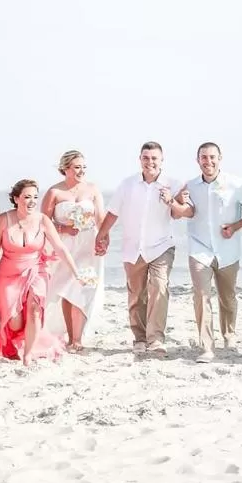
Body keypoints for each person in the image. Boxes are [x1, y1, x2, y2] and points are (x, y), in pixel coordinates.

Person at [95, 141, 189, 355]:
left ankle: (155, 339)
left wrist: (172, 201)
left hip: (162, 245)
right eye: (146, 158)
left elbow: (181, 212)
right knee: (137, 294)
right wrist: (102, 234)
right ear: (140, 160)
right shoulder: (127, 184)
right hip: (133, 247)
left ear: (161, 160)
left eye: (154, 158)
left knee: (159, 287)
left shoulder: (174, 184)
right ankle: (140, 337)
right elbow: (113, 212)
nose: (150, 162)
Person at [175, 142, 242, 362]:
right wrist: (175, 203)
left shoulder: (237, 184)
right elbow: (179, 212)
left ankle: (229, 334)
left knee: (227, 297)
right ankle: (207, 347)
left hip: (228, 250)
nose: (208, 161)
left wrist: (235, 226)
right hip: (199, 248)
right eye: (203, 157)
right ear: (197, 160)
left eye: (212, 157)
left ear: (220, 158)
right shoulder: (189, 186)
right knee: (201, 296)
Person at [0, 179, 88, 365]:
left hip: (36, 270)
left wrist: (77, 273)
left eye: (35, 197)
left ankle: (27, 354)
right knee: (14, 322)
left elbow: (60, 248)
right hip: (8, 274)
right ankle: (17, 338)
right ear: (16, 198)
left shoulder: (43, 220)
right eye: (27, 197)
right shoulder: (4, 219)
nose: (32, 201)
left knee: (35, 309)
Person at [42, 150, 106, 352]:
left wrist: (103, 239)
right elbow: (43, 222)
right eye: (77, 167)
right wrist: (64, 229)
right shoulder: (54, 192)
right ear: (66, 168)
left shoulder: (93, 189)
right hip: (64, 245)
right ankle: (70, 336)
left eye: (83, 167)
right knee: (66, 289)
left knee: (82, 287)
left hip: (88, 244)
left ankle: (77, 339)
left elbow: (101, 218)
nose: (81, 171)